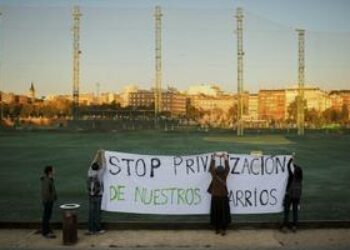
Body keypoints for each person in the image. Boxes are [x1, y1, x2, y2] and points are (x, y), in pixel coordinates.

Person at [208, 152, 231, 236]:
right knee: (224, 214)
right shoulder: (224, 175)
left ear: (216, 171)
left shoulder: (214, 176)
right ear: (223, 171)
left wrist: (214, 157)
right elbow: (228, 168)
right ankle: (223, 229)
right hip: (223, 197)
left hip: (215, 197)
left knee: (216, 213)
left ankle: (217, 229)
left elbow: (211, 168)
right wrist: (225, 157)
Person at [281, 157, 303, 233]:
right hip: (297, 197)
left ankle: (285, 226)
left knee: (286, 212)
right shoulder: (300, 179)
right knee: (295, 211)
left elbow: (288, 166)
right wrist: (294, 165)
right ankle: (294, 226)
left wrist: (291, 160)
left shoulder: (291, 176)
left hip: (289, 195)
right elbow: (296, 168)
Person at [86, 161, 105, 235]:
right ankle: (97, 229)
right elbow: (104, 165)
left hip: (91, 196)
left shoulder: (90, 173)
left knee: (91, 213)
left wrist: (97, 154)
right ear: (98, 168)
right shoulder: (100, 174)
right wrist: (102, 154)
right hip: (98, 196)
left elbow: (91, 165)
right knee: (98, 213)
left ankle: (90, 229)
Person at [40, 165, 57, 239]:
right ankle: (46, 232)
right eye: (53, 170)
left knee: (47, 216)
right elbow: (46, 192)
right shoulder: (47, 180)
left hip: (48, 201)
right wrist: (50, 199)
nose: (54, 171)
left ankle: (47, 230)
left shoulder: (48, 179)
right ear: (50, 172)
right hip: (48, 201)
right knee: (46, 216)